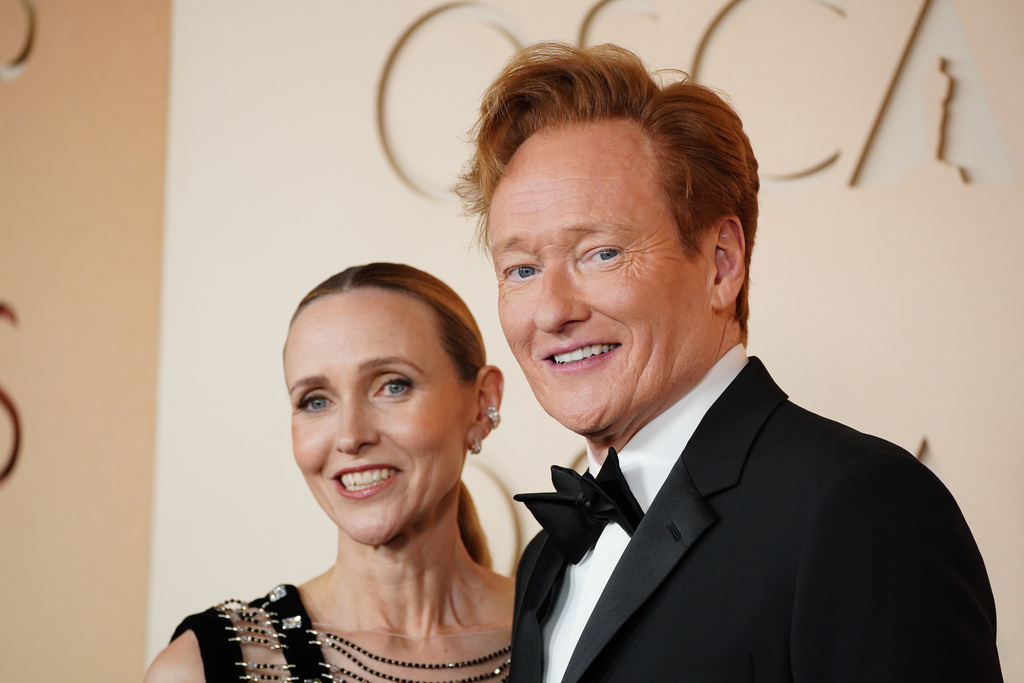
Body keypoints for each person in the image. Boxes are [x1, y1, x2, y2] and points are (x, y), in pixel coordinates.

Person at [456, 42, 1002, 682]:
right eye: (521, 270)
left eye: (600, 253)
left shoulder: (860, 509)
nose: (550, 311)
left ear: (721, 263)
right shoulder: (549, 557)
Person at [145, 263, 513, 682]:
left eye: (393, 385)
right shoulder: (198, 667)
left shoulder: (574, 631)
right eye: (315, 401)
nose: (350, 436)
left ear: (481, 403)